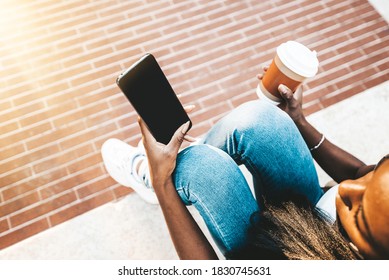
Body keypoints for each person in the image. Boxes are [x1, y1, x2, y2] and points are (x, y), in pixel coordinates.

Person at [101, 73, 389, 260]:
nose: (346, 189)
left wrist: (163, 183)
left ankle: (155, 176)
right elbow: (359, 173)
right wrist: (298, 120)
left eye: (360, 212)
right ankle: (179, 157)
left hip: (279, 253)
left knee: (200, 167)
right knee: (261, 120)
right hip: (305, 208)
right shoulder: (361, 194)